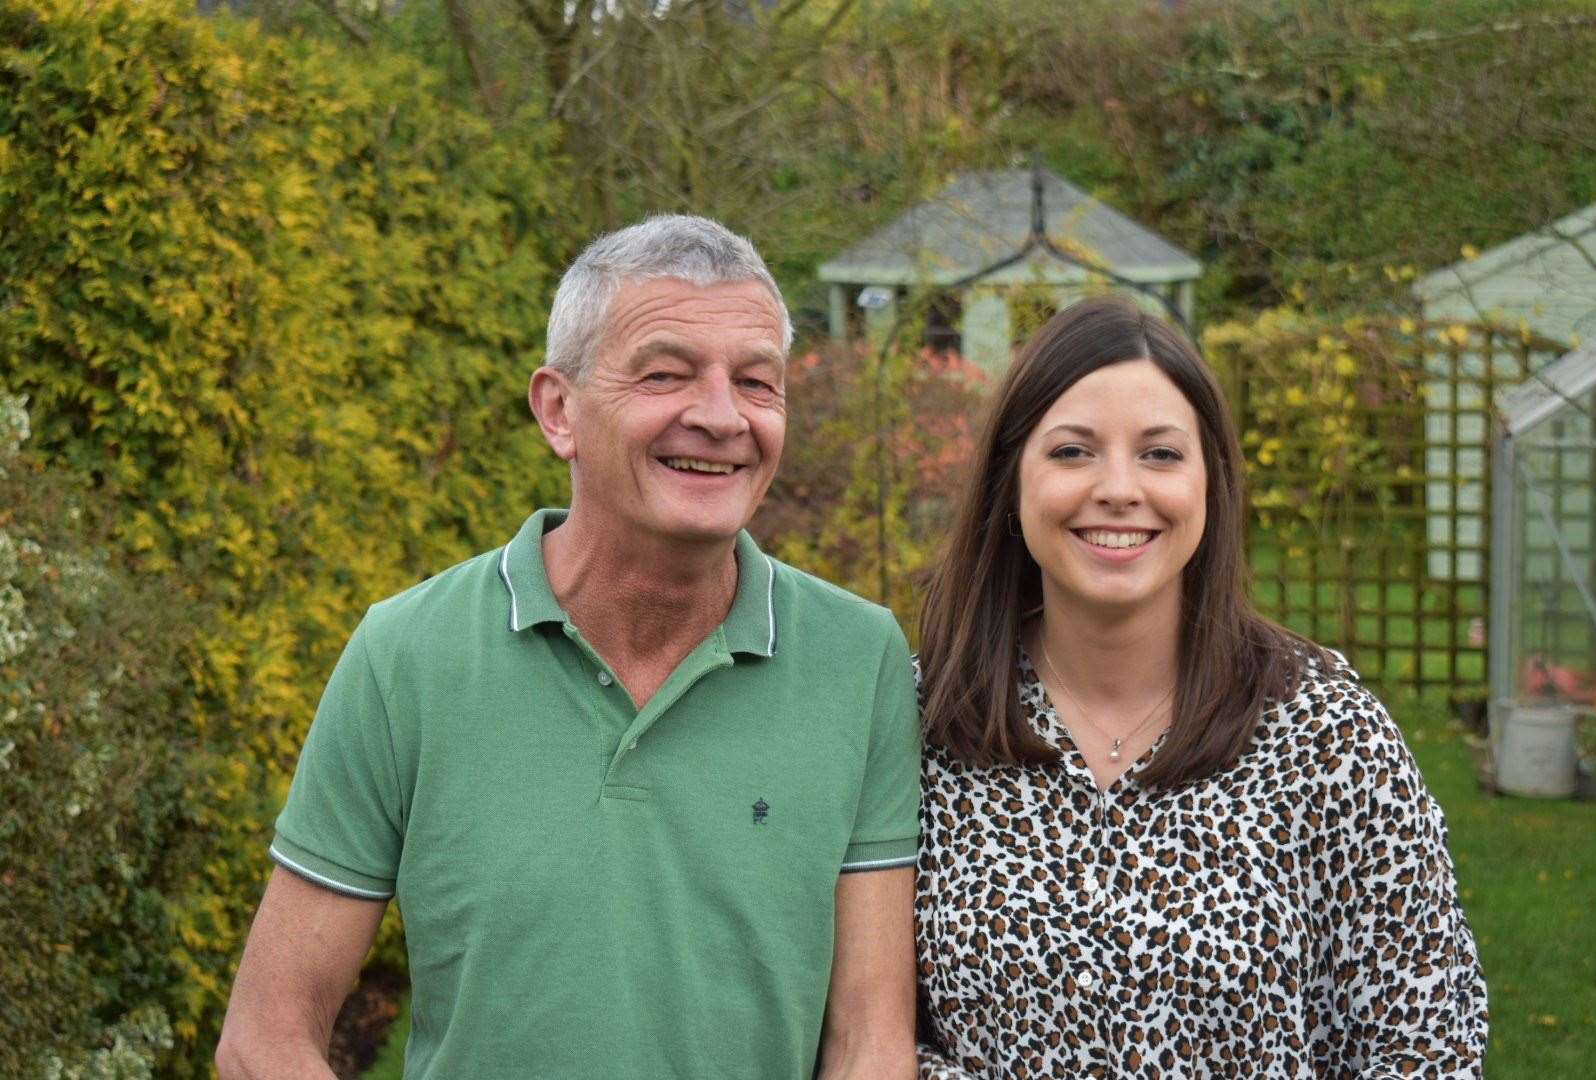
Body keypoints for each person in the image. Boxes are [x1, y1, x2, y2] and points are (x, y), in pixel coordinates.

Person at [216, 215, 922, 1080]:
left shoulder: (861, 660)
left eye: (756, 382)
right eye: (666, 374)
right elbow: (265, 1038)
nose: (720, 416)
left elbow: (869, 1044)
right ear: (559, 410)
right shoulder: (407, 655)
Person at [913, 297, 1486, 1078]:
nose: (1119, 488)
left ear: (1210, 485)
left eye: (1159, 454)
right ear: (1011, 483)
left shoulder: (1328, 735)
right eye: (1074, 452)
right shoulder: (922, 728)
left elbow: (1429, 1044)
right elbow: (861, 1035)